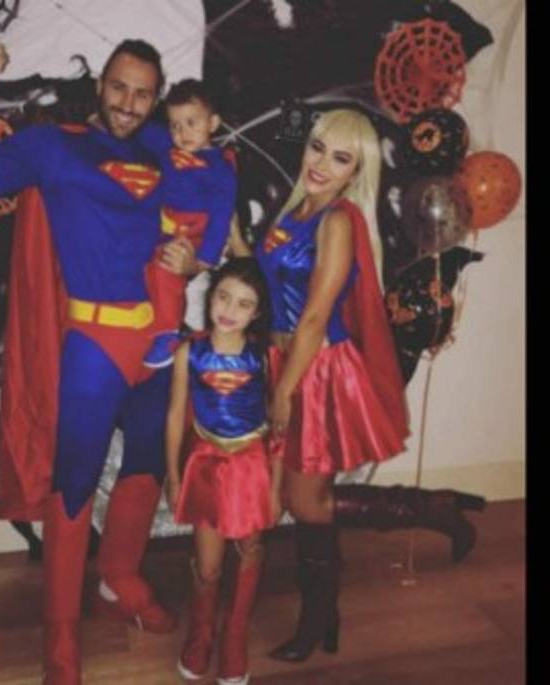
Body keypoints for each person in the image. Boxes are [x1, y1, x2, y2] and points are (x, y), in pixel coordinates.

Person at [0, 37, 203, 684]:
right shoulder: (52, 145)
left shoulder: (162, 150)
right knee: (76, 484)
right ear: (102, 85)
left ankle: (120, 575)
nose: (129, 103)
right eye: (119, 87)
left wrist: (193, 258)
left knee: (145, 465)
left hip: (157, 345)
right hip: (93, 342)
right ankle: (59, 634)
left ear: (157, 96)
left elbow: (202, 215)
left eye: (143, 92)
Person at [233, 108, 411, 662]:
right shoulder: (295, 213)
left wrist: (284, 389)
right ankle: (324, 616)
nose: (321, 164)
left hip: (316, 367)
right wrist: (225, 240)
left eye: (340, 158)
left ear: (356, 171)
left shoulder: (336, 220)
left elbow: (314, 316)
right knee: (294, 493)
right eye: (317, 148)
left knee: (306, 498)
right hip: (282, 357)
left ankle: (317, 621)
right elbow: (264, 281)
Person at [164, 258, 280, 684]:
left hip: (252, 466)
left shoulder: (263, 356)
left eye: (244, 304)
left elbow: (280, 424)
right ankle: (202, 632)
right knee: (208, 564)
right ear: (210, 297)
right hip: (206, 464)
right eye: (224, 297)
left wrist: (278, 484)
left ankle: (235, 636)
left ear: (257, 313)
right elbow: (177, 415)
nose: (230, 310)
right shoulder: (189, 352)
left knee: (250, 550)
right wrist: (174, 475)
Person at [140, 78, 238, 368]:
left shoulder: (220, 168)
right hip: (163, 224)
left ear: (213, 123)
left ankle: (168, 331)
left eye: (192, 123)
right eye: (175, 125)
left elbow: (221, 216)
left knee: (164, 267)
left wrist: (205, 260)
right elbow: (139, 129)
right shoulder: (168, 148)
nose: (182, 133)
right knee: (138, 258)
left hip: (195, 232)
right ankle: (161, 314)